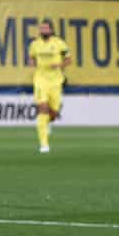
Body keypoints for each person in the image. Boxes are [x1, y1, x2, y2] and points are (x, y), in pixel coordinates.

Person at [27, 20, 71, 153]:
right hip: (40, 80)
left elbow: (68, 60)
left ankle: (47, 122)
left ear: (51, 30)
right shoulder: (35, 44)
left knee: (54, 113)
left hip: (56, 81)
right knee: (43, 108)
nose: (43, 30)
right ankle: (44, 144)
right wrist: (32, 63)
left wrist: (59, 65)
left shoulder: (59, 43)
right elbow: (31, 58)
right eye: (42, 28)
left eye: (46, 28)